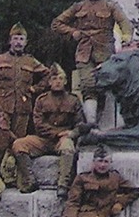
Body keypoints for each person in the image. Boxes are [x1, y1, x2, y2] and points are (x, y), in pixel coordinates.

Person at [50, 0, 134, 124]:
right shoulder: (78, 7)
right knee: (88, 87)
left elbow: (125, 24)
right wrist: (73, 32)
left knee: (104, 89)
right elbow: (56, 23)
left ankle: (107, 126)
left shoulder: (111, 6)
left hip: (105, 54)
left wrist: (126, 39)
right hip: (84, 54)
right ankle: (90, 124)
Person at [9, 67, 83, 195]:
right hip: (43, 139)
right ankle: (29, 180)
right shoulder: (41, 100)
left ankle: (63, 184)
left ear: (65, 82)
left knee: (68, 146)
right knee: (19, 144)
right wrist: (57, 133)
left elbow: (80, 124)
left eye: (61, 79)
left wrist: (72, 133)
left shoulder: (73, 100)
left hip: (62, 139)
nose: (58, 82)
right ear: (49, 82)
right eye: (54, 79)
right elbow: (39, 124)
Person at [0, 24, 49, 147]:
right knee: (0, 139)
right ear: (10, 41)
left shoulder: (30, 61)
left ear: (26, 42)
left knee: (18, 142)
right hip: (1, 107)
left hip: (22, 107)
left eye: (21, 39)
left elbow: (48, 75)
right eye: (15, 39)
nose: (18, 42)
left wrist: (35, 88)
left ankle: (15, 166)